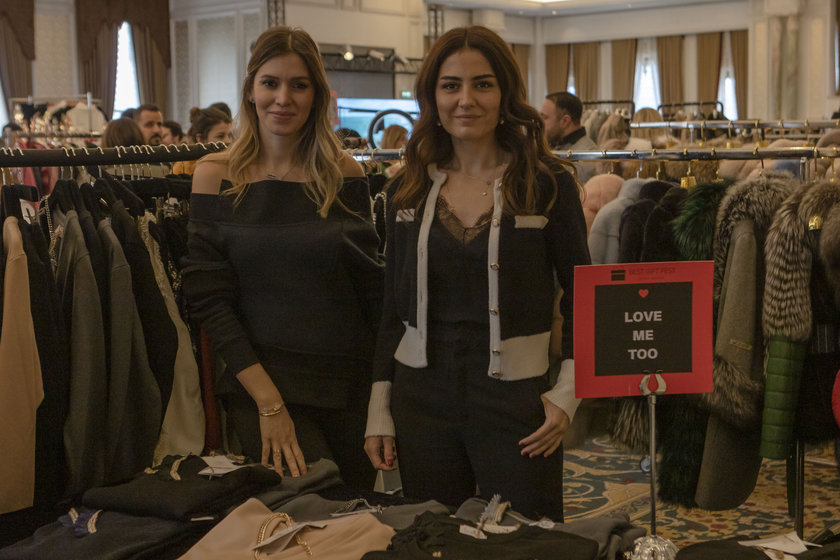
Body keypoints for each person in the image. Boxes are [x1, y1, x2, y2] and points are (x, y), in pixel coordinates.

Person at [364, 25, 590, 520]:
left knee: (530, 538)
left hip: (517, 402)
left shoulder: (548, 183)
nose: (466, 100)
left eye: (482, 84)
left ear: (505, 93)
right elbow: (392, 308)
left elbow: (584, 294)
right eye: (451, 86)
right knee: (432, 537)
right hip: (421, 401)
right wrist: (380, 406)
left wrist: (568, 392)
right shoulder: (404, 189)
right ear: (433, 97)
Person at [181, 26, 383, 491]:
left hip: (347, 386)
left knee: (356, 514)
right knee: (306, 510)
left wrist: (382, 397)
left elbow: (370, 290)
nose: (283, 98)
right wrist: (268, 403)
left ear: (316, 96)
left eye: (299, 85)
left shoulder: (345, 173)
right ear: (251, 90)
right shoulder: (214, 174)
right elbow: (209, 299)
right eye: (270, 83)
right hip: (262, 387)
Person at [540, 91, 597, 183]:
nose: (540, 123)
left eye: (544, 118)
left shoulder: (585, 161)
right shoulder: (557, 145)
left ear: (565, 121)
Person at [173, 107, 234, 175]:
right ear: (200, 139)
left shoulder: (234, 162)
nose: (228, 141)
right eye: (220, 136)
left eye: (230, 136)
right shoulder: (183, 169)